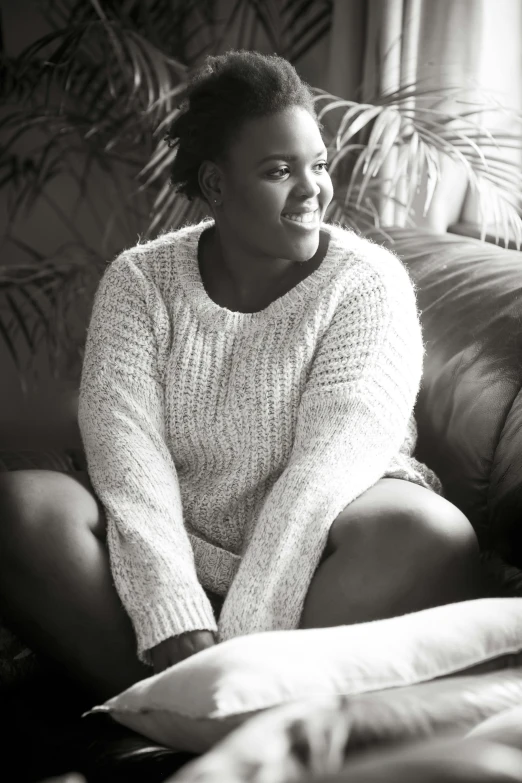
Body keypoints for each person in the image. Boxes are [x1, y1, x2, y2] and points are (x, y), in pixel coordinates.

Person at [0, 50, 487, 702]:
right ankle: (185, 708)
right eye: (279, 170)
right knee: (23, 507)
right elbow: (127, 454)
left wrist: (245, 632)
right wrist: (172, 610)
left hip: (322, 552)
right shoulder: (140, 281)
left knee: (431, 534)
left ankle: (204, 702)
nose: (312, 188)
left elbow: (327, 471)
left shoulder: (366, 284)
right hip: (164, 546)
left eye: (318, 164)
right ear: (216, 184)